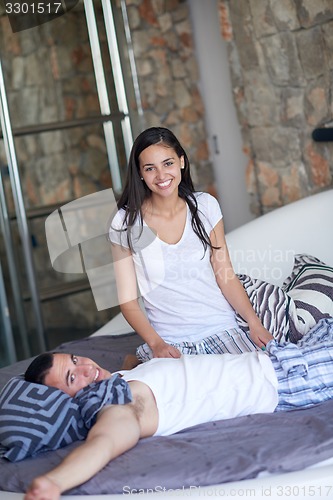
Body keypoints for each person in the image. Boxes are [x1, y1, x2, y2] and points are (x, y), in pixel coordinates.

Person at [24, 319, 333, 500]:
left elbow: (134, 366)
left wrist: (136, 361)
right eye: (72, 378)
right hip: (285, 379)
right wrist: (53, 483)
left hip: (278, 357)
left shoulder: (120, 378)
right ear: (65, 400)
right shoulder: (118, 404)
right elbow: (105, 442)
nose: (87, 369)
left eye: (77, 360)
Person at [109, 127, 273, 362]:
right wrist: (156, 343)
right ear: (140, 174)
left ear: (182, 162)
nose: (161, 175)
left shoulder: (205, 206)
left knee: (263, 382)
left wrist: (254, 324)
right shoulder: (124, 223)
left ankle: (137, 363)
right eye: (150, 168)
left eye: (168, 163)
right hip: (171, 340)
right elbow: (127, 300)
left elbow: (225, 275)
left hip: (221, 328)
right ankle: (137, 361)